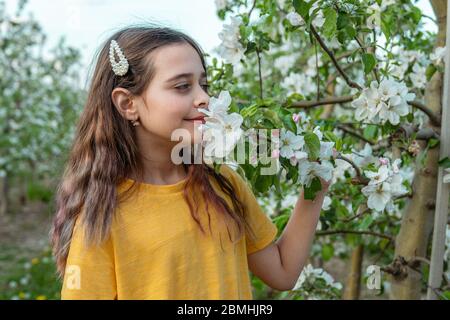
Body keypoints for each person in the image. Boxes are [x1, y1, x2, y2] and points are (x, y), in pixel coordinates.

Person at [51, 25, 330, 300]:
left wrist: (315, 179)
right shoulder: (102, 214)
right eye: (182, 86)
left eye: (204, 84)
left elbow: (282, 272)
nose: (204, 98)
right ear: (127, 104)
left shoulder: (222, 182)